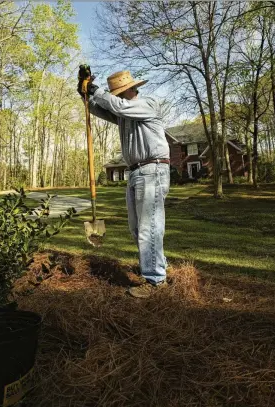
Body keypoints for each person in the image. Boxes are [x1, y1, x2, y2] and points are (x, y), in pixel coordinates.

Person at [77, 66, 170, 298]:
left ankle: (156, 280)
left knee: (149, 227)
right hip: (136, 172)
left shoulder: (146, 105)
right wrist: (84, 93)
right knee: (138, 228)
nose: (115, 97)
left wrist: (96, 90)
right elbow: (99, 109)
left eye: (116, 93)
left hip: (153, 169)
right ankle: (157, 266)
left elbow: (117, 106)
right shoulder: (125, 114)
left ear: (127, 90)